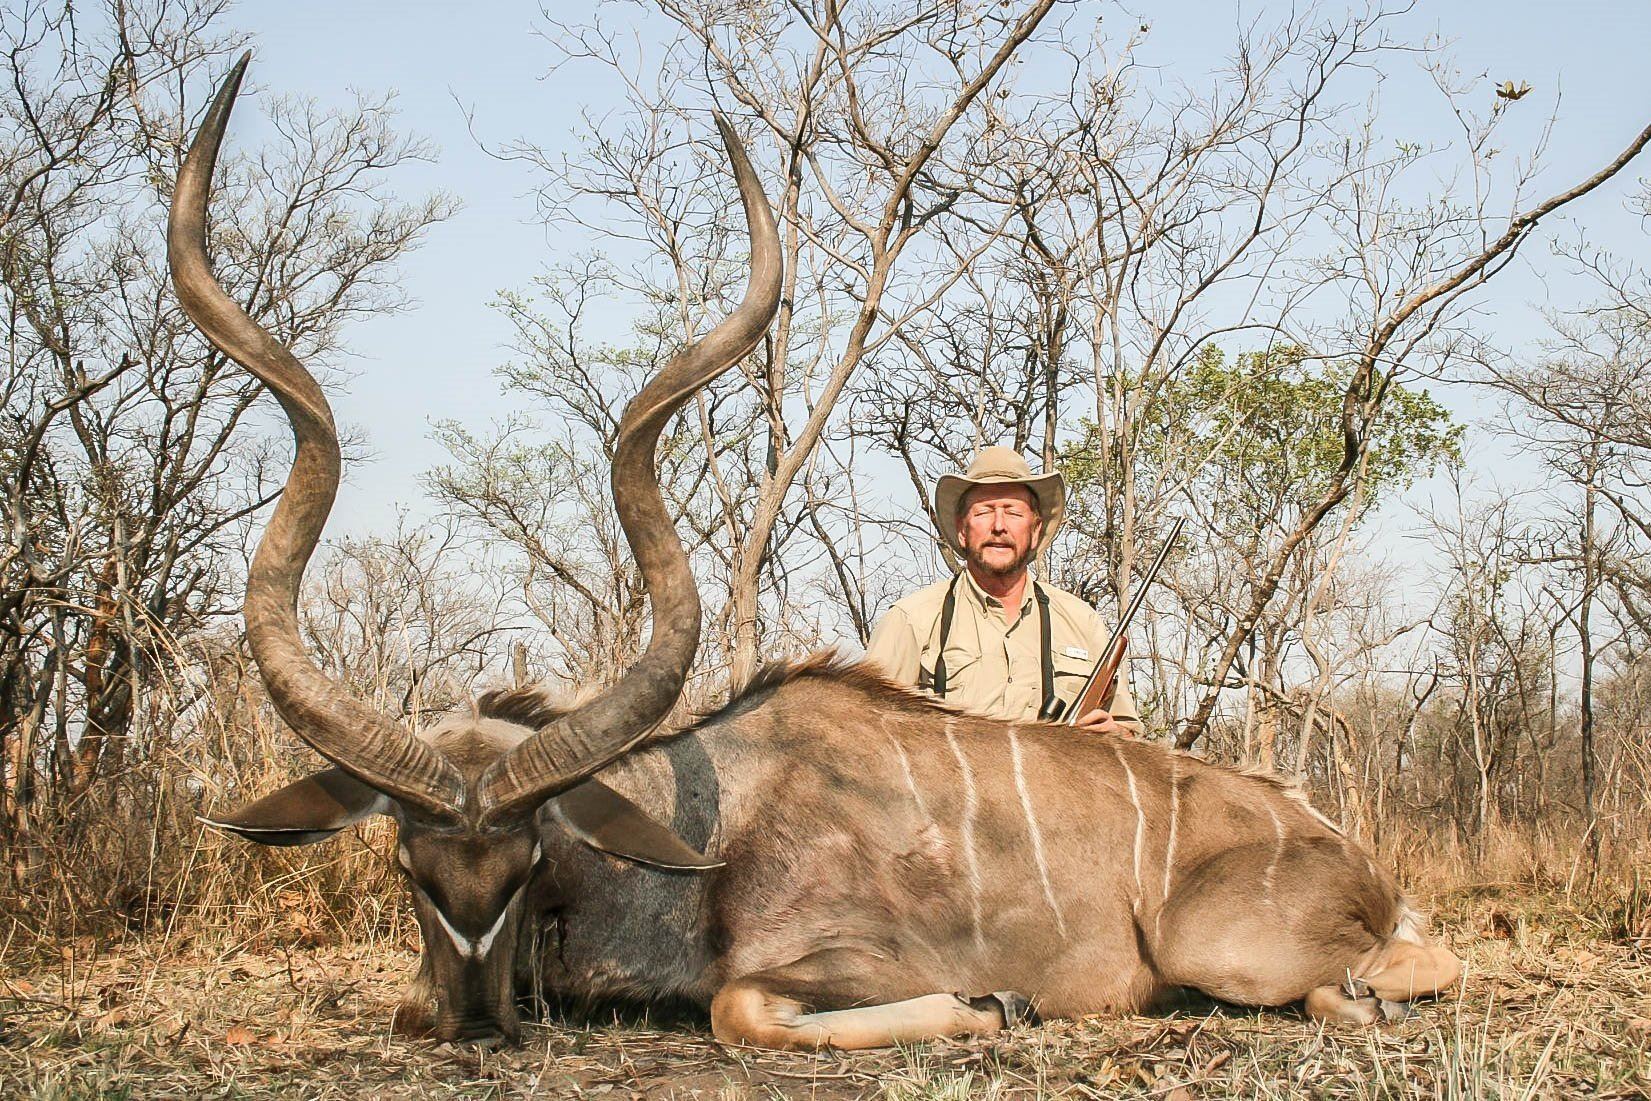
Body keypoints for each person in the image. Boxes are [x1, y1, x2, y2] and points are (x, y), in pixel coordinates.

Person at [865, 447, 1142, 735]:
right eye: (984, 511)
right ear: (962, 529)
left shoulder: (1082, 622)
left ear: (1035, 530)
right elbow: (866, 733)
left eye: (1013, 512)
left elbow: (1129, 733)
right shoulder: (911, 620)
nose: (999, 526)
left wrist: (1114, 735)